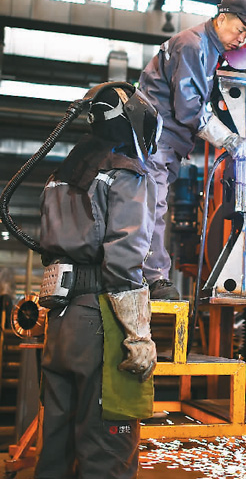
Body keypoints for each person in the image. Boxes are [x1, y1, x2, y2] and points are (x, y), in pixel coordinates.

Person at [34, 82, 161, 479]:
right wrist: (138, 335)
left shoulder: (63, 172)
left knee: (57, 446)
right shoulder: (125, 172)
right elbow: (125, 259)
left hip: (61, 320)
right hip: (100, 320)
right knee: (107, 449)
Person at [139, 0, 246, 299]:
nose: (242, 38)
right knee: (151, 207)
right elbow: (189, 109)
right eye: (240, 29)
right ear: (222, 18)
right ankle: (153, 279)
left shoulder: (210, 49)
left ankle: (146, 277)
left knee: (153, 205)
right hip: (155, 139)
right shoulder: (193, 45)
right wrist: (230, 140)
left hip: (167, 142)